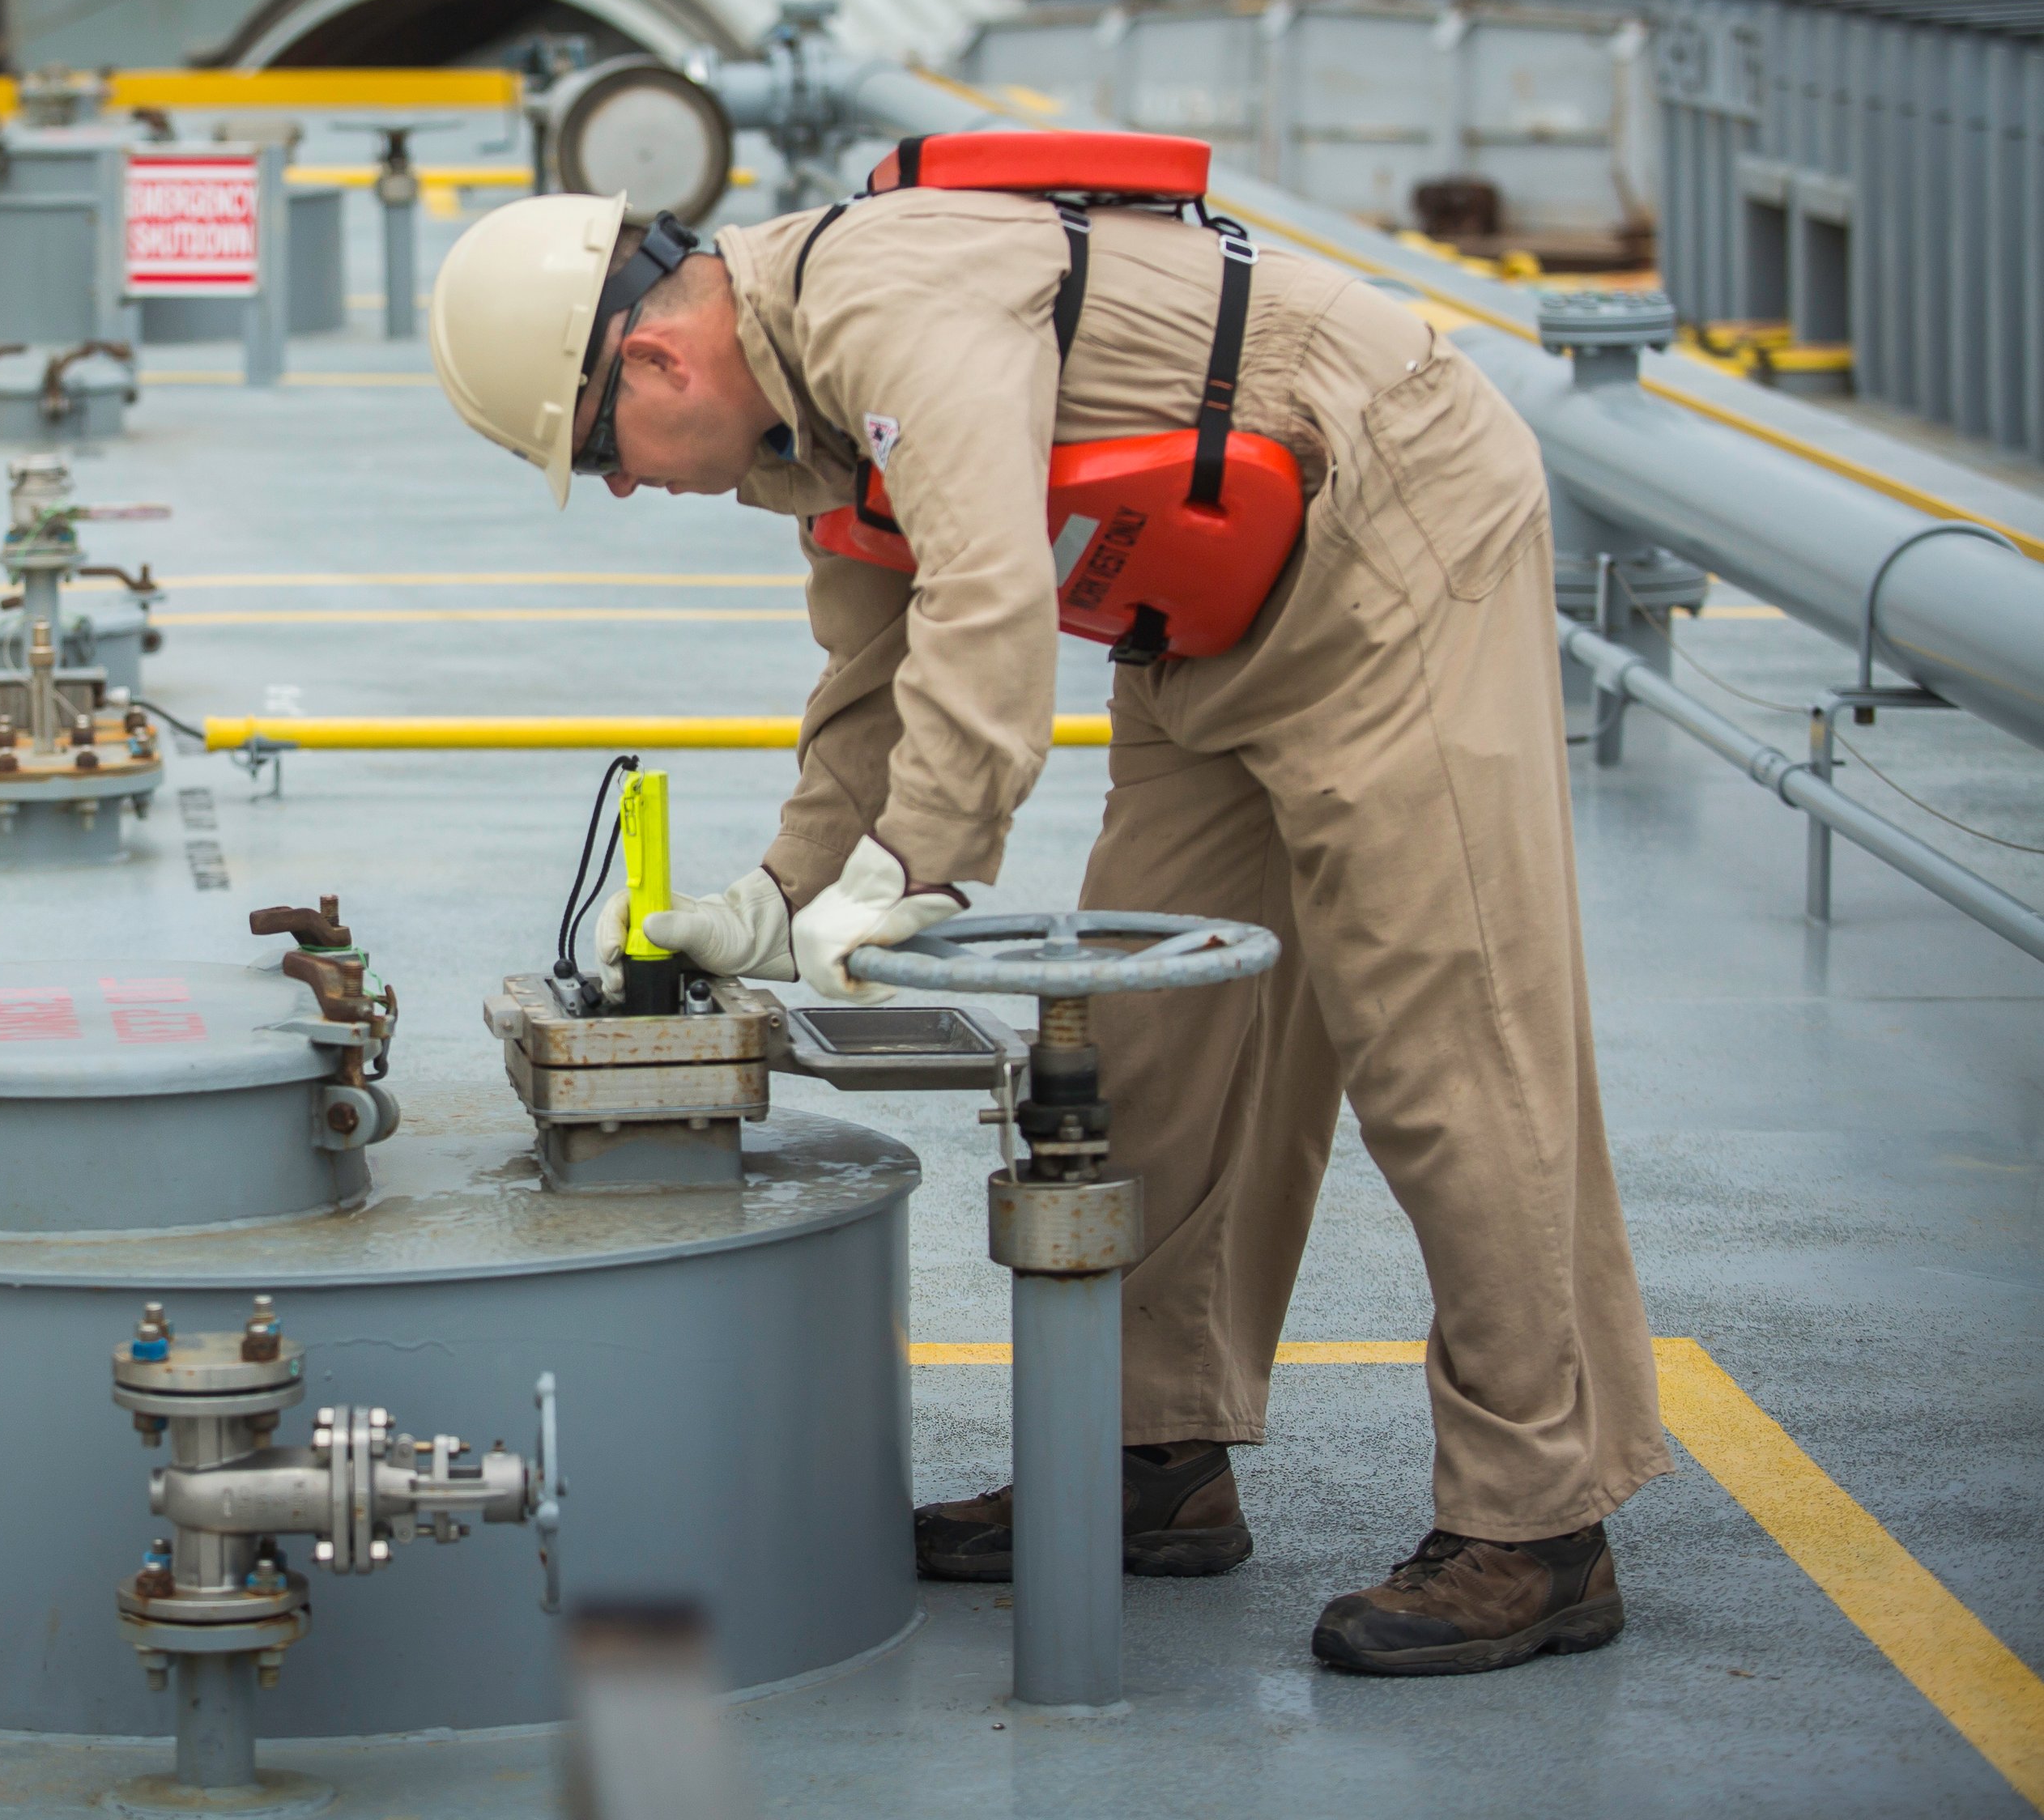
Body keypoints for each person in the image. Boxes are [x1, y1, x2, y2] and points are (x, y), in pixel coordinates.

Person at [425, 178, 1666, 1677]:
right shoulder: (807, 422)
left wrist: (918, 869)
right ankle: (1150, 1456)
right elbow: (877, 666)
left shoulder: (886, 308)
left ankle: (1539, 1526)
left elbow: (991, 597)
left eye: (597, 457)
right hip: (1212, 613)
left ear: (652, 364)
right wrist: (792, 888)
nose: (621, 488)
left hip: (1387, 524)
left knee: (1442, 1034)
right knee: (1153, 1027)